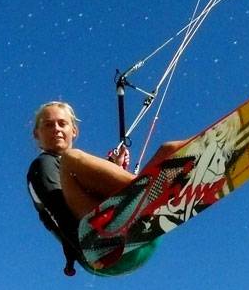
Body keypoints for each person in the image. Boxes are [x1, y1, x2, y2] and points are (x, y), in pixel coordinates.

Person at [26, 101, 183, 276]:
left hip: (139, 239)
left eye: (62, 123)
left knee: (170, 149)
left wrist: (115, 168)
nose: (56, 129)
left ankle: (211, 155)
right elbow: (57, 211)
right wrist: (86, 250)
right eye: (48, 125)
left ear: (74, 131)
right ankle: (149, 189)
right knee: (71, 158)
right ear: (36, 134)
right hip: (100, 248)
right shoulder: (43, 165)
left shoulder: (75, 172)